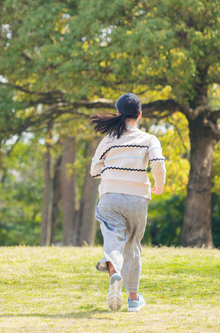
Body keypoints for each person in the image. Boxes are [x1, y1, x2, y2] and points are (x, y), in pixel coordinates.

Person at [90, 93, 166, 312]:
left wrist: (109, 172)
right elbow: (158, 163)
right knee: (132, 245)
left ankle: (114, 273)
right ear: (140, 115)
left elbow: (95, 170)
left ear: (117, 113)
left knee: (113, 239)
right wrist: (158, 186)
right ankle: (133, 300)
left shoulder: (108, 140)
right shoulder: (149, 139)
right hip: (137, 198)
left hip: (110, 196)